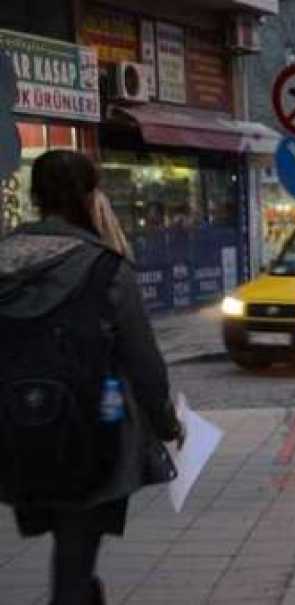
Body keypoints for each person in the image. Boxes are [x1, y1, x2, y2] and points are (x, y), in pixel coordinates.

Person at [0, 150, 183, 605]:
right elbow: (143, 363)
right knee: (76, 547)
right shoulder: (105, 268)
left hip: (10, 431)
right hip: (90, 433)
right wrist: (166, 424)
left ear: (36, 196)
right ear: (89, 195)